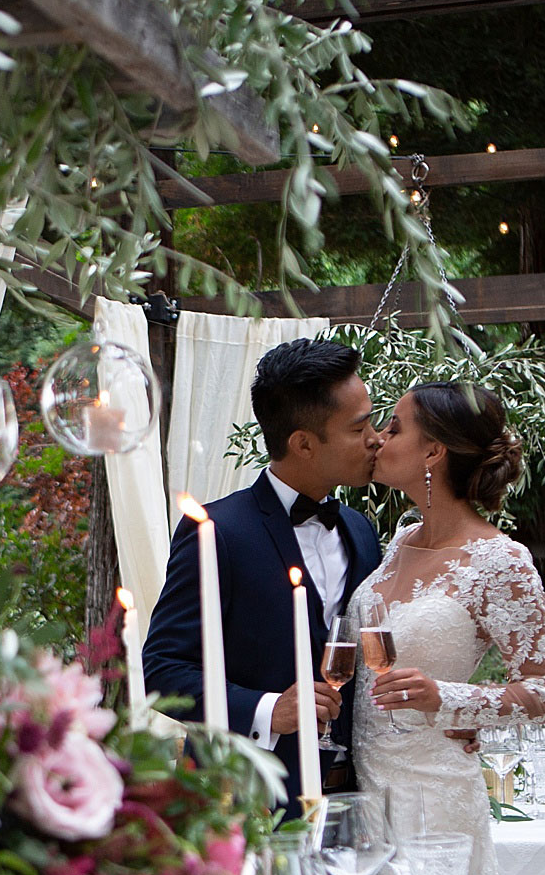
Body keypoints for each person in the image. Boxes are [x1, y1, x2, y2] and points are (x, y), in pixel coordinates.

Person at [348, 380, 545, 875]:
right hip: (368, 793)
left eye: (395, 428)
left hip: (435, 800)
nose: (378, 438)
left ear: (433, 452)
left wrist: (445, 699)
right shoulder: (399, 541)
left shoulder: (500, 561)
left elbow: (542, 692)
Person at [142, 338, 382, 812]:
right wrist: (269, 710)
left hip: (357, 803)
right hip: (245, 802)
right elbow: (163, 671)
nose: (376, 438)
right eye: (359, 428)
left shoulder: (360, 530)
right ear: (303, 443)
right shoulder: (216, 532)